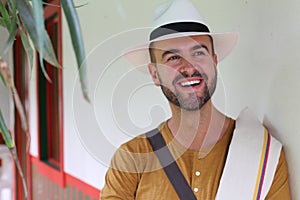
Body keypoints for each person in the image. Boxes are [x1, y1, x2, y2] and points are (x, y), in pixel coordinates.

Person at [101, 0, 291, 199]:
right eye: (173, 58)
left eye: (198, 53)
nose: (189, 67)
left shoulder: (263, 155)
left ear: (214, 62)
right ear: (155, 74)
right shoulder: (132, 158)